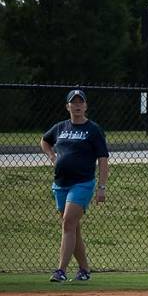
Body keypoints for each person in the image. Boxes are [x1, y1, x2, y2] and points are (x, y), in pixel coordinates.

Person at [39, 89, 109, 282]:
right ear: (67, 106)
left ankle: (60, 270)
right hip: (61, 184)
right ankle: (84, 269)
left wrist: (101, 187)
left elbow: (103, 159)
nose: (77, 105)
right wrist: (52, 155)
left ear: (85, 106)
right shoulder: (61, 127)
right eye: (73, 102)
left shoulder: (93, 130)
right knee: (73, 227)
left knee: (68, 223)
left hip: (82, 183)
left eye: (81, 102)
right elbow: (45, 141)